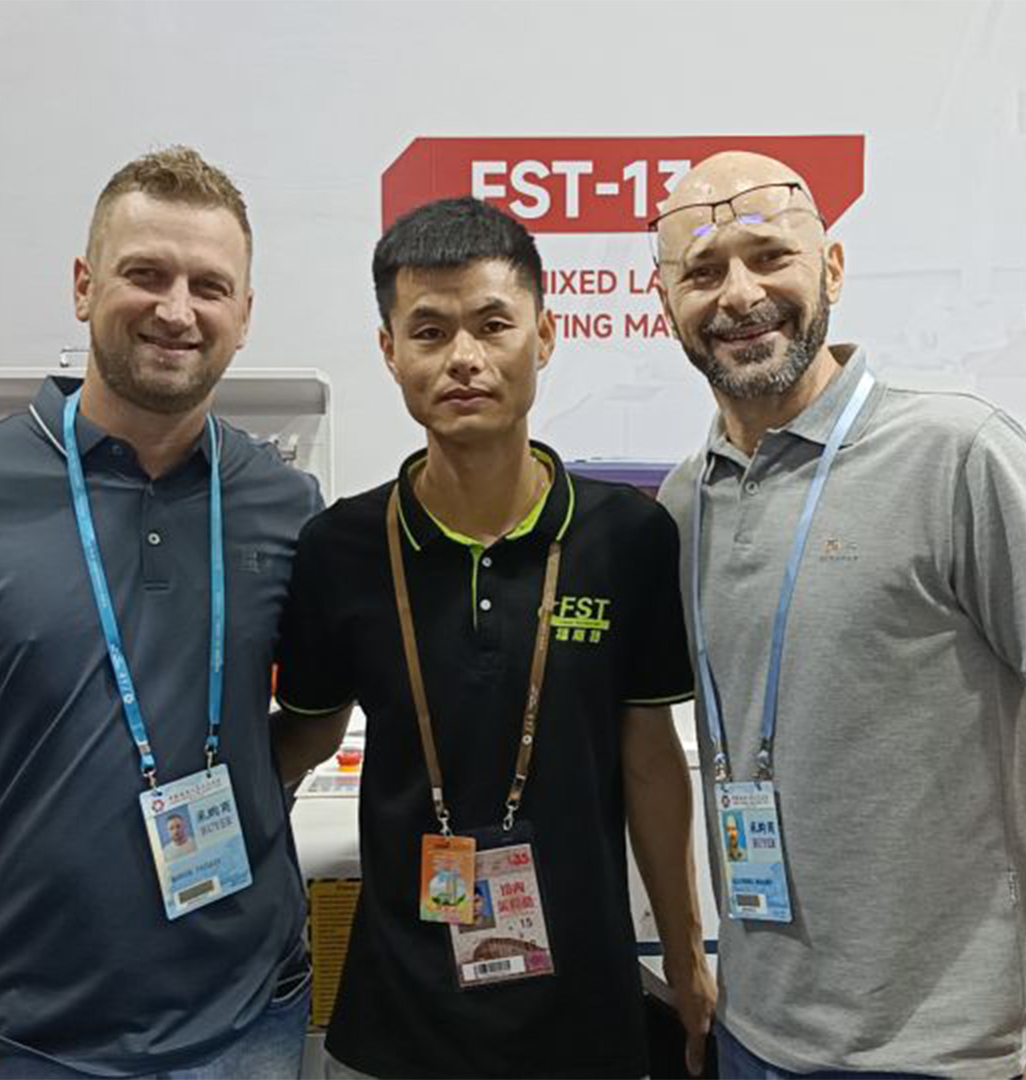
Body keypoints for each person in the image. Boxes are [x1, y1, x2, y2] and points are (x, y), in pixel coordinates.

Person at [649, 151, 1026, 1080]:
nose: (740, 294)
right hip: (752, 1035)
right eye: (703, 271)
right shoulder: (688, 501)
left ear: (832, 269)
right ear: (666, 304)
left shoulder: (956, 455)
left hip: (938, 1053)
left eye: (770, 257)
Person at [0, 147, 320, 1079]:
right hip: (15, 1039)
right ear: (84, 287)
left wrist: (241, 778)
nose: (177, 310)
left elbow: (312, 716)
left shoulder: (286, 504)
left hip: (250, 1023)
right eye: (145, 274)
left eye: (209, 286)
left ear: (245, 315)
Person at [273, 197, 716, 1078]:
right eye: (429, 332)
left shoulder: (626, 537)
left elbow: (649, 759)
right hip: (396, 1024)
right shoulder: (340, 547)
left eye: (492, 324)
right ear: (389, 352)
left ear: (544, 338)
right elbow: (306, 738)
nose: (464, 358)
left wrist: (686, 957)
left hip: (584, 1018)